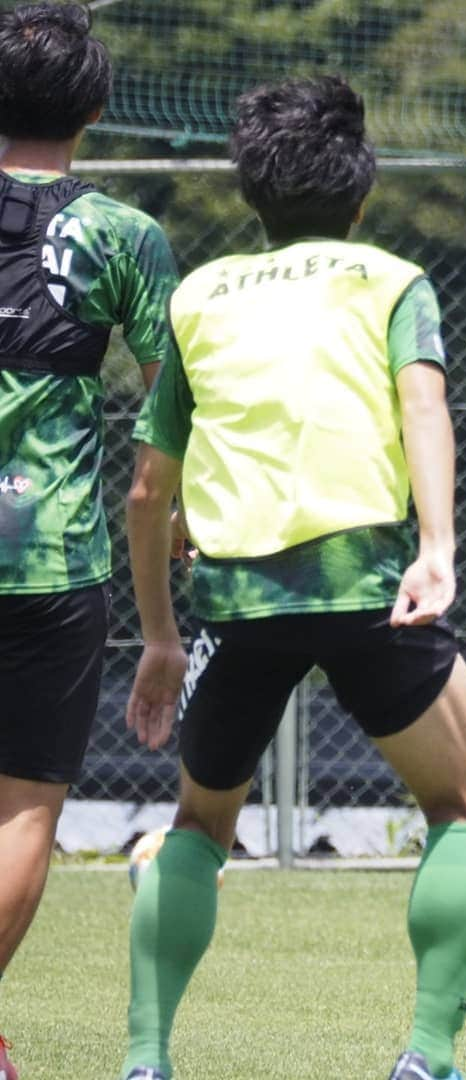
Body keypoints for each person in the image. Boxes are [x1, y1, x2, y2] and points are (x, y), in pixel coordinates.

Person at [118, 75, 466, 1080]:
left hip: (237, 602)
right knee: (464, 809)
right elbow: (424, 410)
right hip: (371, 584)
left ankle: (145, 1062)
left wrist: (160, 637)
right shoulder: (392, 280)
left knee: (198, 827)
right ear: (362, 189)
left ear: (253, 191)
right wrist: (439, 545)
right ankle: (427, 1057)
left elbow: (150, 494)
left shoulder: (197, 296)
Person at [0, 5, 180, 1077]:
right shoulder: (125, 236)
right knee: (25, 809)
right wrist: (187, 523)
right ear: (100, 111)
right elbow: (169, 414)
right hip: (51, 563)